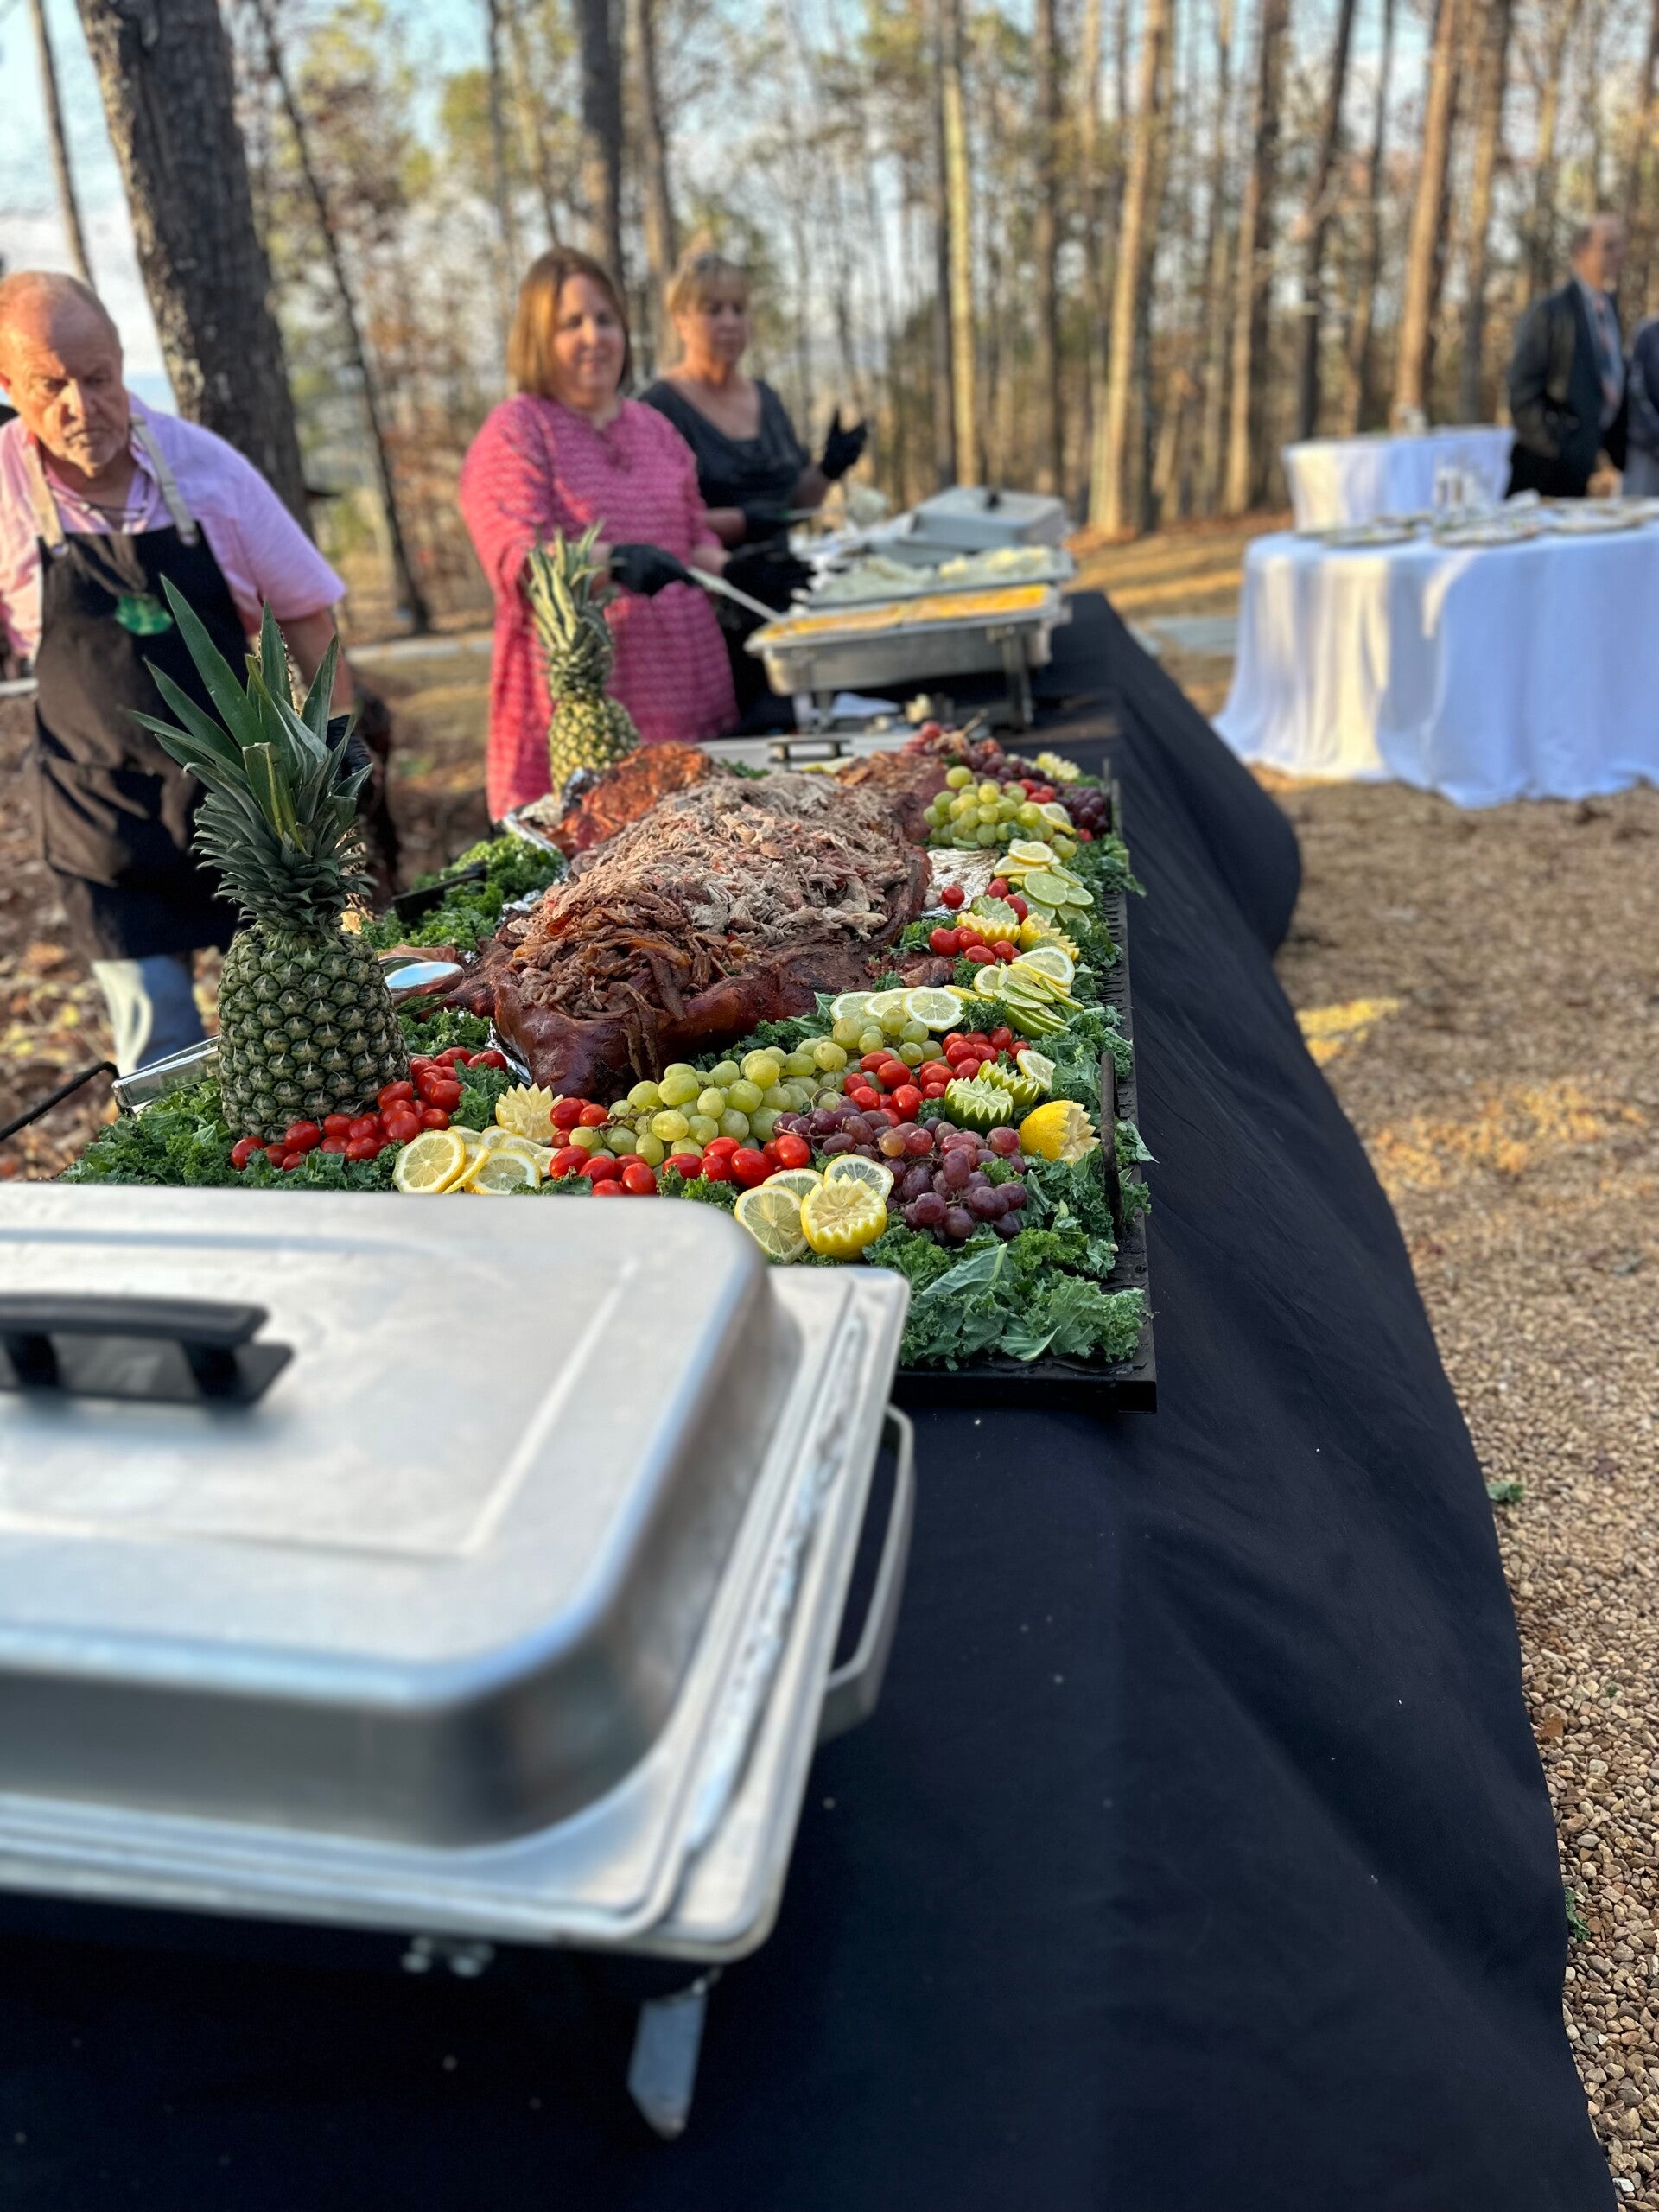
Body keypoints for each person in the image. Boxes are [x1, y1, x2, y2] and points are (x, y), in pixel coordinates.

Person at [0, 271, 352, 1074]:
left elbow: (307, 613)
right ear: (9, 387)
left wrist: (337, 739)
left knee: (291, 1035)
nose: (82, 406)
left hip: (245, 809)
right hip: (100, 827)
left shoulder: (206, 469)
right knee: (162, 1053)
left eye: (98, 379)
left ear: (122, 365)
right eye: (51, 386)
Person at [459, 248, 734, 823]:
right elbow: (515, 559)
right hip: (582, 716)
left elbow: (694, 535)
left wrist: (737, 568)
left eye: (605, 319)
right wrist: (615, 561)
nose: (594, 337)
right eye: (571, 323)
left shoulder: (655, 428)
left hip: (688, 696)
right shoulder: (517, 429)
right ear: (538, 338)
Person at [639, 242, 867, 718]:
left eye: (738, 309)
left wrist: (828, 469)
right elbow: (659, 524)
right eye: (713, 310)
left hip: (782, 599)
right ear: (680, 320)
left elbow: (795, 506)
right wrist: (742, 522)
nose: (729, 322)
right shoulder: (656, 410)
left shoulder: (766, 397)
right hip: (711, 611)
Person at [1506, 213, 1629, 499]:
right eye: (1608, 246)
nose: (1618, 255)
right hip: (1543, 469)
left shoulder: (1609, 311)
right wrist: (1555, 444)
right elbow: (1521, 388)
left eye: (1621, 246)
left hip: (1583, 467)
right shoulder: (1551, 311)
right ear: (1581, 250)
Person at [1623, 315, 1659, 496]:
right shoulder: (1647, 335)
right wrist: (1655, 430)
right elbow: (1636, 389)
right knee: (1639, 505)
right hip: (1646, 445)